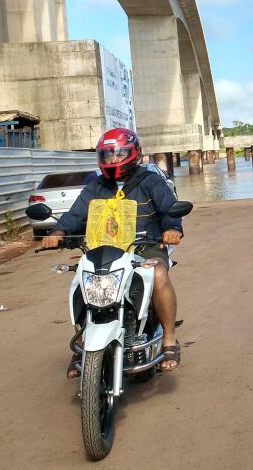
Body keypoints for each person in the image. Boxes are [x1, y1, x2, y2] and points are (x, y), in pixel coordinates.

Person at [42, 128, 183, 375]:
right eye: (108, 155)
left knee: (159, 274)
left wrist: (172, 228)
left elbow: (169, 209)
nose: (113, 160)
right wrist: (58, 233)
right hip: (104, 248)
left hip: (145, 245)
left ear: (134, 154)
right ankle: (84, 341)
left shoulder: (150, 181)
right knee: (82, 280)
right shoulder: (96, 185)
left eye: (119, 154)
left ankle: (170, 339)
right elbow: (76, 213)